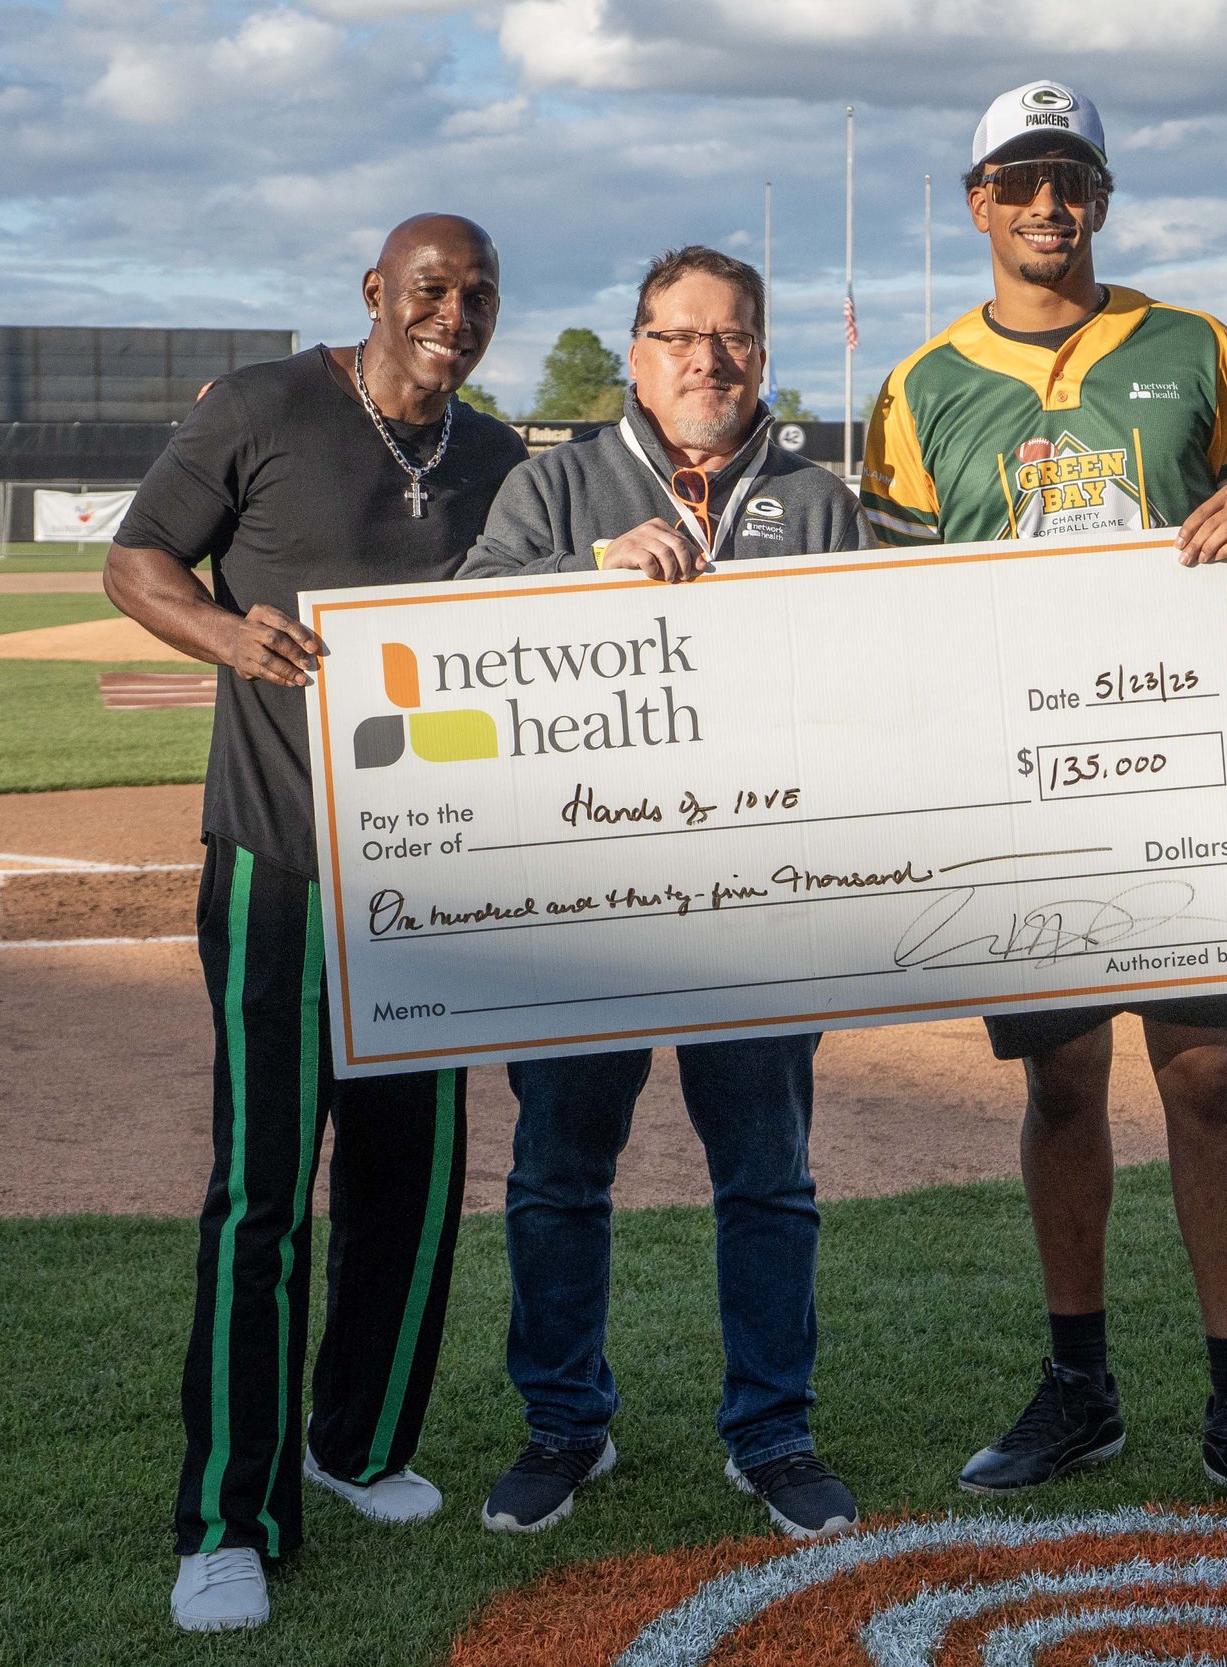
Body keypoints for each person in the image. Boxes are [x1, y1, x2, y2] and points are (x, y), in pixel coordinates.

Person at [860, 80, 1227, 1531]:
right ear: (976, 202)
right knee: (1060, 1079)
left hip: (1170, 774)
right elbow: (883, 595)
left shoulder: (1195, 347)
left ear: (1103, 198)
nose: (1048, 204)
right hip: (1017, 786)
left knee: (1204, 1078)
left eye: (1073, 178)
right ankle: (1080, 1386)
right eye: (1020, 180)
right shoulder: (920, 385)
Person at [104, 214, 527, 1633]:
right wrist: (232, 634)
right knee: (265, 1192)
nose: (452, 313)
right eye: (429, 288)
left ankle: (354, 1448)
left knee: (410, 1184)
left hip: (434, 880)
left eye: (476, 295)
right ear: (373, 293)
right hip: (280, 862)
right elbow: (137, 562)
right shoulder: (265, 405)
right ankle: (229, 1512)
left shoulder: (494, 455)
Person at [458, 246, 868, 1540]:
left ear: (764, 354)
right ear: (634, 354)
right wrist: (581, 579)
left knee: (767, 1173)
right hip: (588, 899)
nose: (707, 359)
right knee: (557, 1171)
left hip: (760, 898)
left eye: (733, 336)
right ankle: (566, 1424)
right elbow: (455, 627)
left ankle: (773, 1430)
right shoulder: (556, 482)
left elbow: (877, 686)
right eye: (678, 336)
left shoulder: (816, 499)